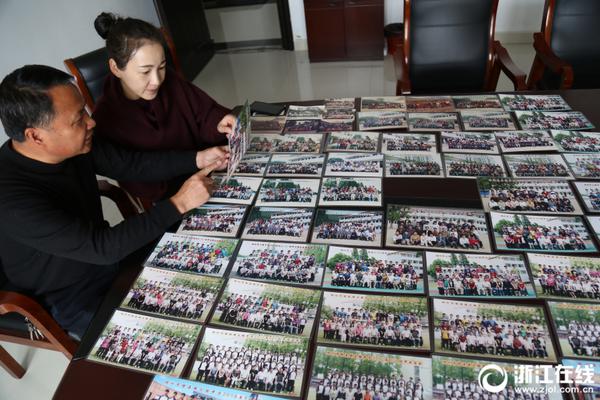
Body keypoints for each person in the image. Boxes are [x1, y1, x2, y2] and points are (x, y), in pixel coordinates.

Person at [0, 64, 229, 339]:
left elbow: (131, 165)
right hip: (69, 291)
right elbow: (101, 248)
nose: (90, 121)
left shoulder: (76, 144)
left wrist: (197, 158)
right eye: (77, 119)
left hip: (109, 255)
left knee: (208, 259)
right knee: (168, 339)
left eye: (84, 109)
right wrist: (178, 203)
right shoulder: (11, 199)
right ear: (36, 136)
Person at [92, 12, 236, 203]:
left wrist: (218, 124)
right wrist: (196, 163)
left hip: (209, 169)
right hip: (173, 197)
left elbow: (203, 112)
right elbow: (137, 172)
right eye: (145, 71)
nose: (157, 80)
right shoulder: (106, 118)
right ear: (116, 68)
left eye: (161, 66)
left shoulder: (170, 80)